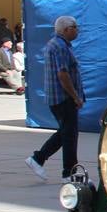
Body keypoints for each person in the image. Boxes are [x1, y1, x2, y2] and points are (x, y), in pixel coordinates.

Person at [26, 16, 84, 183]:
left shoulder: (60, 45)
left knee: (66, 133)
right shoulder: (59, 46)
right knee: (70, 135)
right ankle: (69, 172)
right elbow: (63, 74)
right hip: (63, 98)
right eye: (75, 27)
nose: (77, 30)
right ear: (66, 29)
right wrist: (75, 96)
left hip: (60, 97)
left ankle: (38, 158)